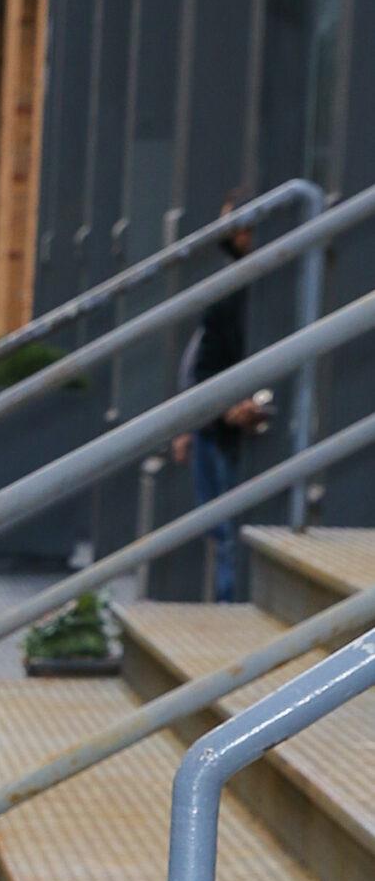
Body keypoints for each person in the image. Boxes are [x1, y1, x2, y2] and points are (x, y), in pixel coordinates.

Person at [171, 210, 267, 600]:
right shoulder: (229, 283)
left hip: (237, 427)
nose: (233, 230)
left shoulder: (263, 286)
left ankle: (232, 610)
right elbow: (200, 357)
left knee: (231, 534)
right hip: (213, 422)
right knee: (221, 531)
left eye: (241, 222)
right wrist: (187, 419)